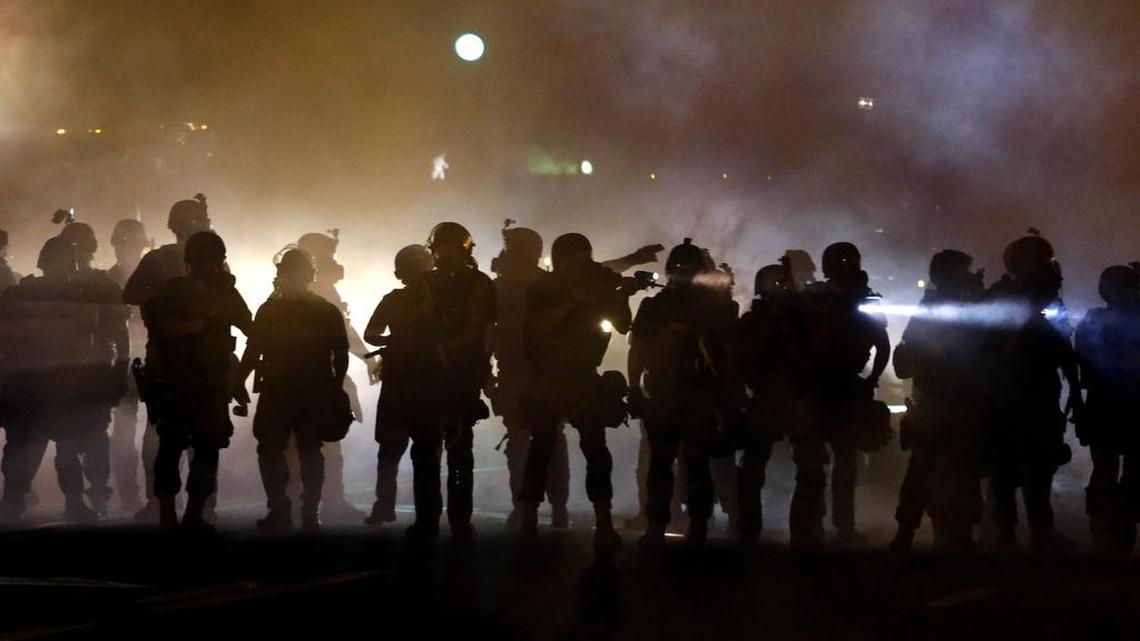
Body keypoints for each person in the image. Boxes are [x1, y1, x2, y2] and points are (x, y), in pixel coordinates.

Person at [518, 233, 638, 554]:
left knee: (595, 450)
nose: (582, 262)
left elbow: (623, 325)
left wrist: (620, 295)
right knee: (542, 449)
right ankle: (528, 518)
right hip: (550, 377)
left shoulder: (595, 286)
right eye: (576, 256)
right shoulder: (545, 288)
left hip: (583, 376)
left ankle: (604, 522)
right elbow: (537, 329)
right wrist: (573, 299)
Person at [0, 229, 128, 523]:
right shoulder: (78, 295)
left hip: (48, 384)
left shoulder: (23, 294)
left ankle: (21, 503)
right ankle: (56, 501)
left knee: (35, 446)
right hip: (50, 383)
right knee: (53, 446)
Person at [629, 239, 739, 548]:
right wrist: (634, 386)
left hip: (689, 394)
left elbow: (728, 355)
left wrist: (634, 386)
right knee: (677, 466)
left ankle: (685, 526)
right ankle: (674, 525)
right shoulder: (704, 307)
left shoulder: (711, 308)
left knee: (681, 466)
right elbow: (638, 349)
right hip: (674, 393)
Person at [141, 231, 251, 532]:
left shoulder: (173, 290)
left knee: (173, 446)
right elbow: (250, 327)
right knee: (205, 448)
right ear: (220, 260)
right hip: (207, 383)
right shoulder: (224, 292)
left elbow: (157, 332)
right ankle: (191, 515)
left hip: (178, 383)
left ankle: (170, 515)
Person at [235, 249, 349, 533]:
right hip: (312, 388)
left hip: (279, 388)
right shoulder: (325, 310)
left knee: (271, 448)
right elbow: (341, 354)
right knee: (310, 449)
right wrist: (335, 388)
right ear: (310, 274)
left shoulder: (271, 309)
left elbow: (253, 350)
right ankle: (309, 512)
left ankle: (281, 509)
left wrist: (237, 381)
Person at [982, 232, 1081, 554]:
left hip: (1035, 392)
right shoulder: (1004, 298)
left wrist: (1074, 390)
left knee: (1039, 465)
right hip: (1010, 393)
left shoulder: (1047, 300)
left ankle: (1038, 531)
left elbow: (1063, 346)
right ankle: (1008, 534)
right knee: (1006, 468)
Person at [792, 242, 889, 549]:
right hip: (822, 387)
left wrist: (871, 378)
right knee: (819, 465)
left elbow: (882, 344)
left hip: (840, 387)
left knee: (840, 464)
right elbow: (803, 346)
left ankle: (831, 527)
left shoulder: (861, 299)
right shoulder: (816, 300)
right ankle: (816, 527)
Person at [890, 250, 987, 554]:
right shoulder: (940, 308)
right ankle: (915, 533)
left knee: (937, 469)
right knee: (934, 469)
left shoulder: (937, 307)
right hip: (944, 401)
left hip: (946, 400)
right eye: (964, 272)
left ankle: (915, 533)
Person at [404, 223, 496, 543]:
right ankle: (427, 518)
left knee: (459, 453)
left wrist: (454, 350)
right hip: (427, 378)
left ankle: (459, 519)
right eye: (441, 247)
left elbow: (479, 329)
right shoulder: (424, 284)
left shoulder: (479, 284)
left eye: (451, 247)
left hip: (459, 376)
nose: (445, 253)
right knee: (425, 454)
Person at [122, 196, 212, 521]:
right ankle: (175, 506)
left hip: (191, 358)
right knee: (170, 435)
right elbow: (131, 294)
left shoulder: (203, 261)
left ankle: (186, 507)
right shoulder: (162, 260)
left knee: (186, 436)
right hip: (175, 358)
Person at [488, 225, 570, 529]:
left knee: (527, 443)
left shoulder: (509, 287)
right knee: (540, 442)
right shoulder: (543, 284)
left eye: (512, 247)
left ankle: (533, 507)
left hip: (532, 374)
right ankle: (545, 507)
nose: (506, 252)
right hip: (526, 373)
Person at [294, 231, 378, 521]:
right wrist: (366, 357)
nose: (334, 262)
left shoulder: (308, 291)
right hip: (321, 376)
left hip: (307, 376)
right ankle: (324, 503)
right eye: (329, 255)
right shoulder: (320, 292)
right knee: (325, 445)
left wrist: (366, 357)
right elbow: (341, 332)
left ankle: (305, 505)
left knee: (311, 445)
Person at [362, 244, 434, 525]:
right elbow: (372, 333)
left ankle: (388, 508)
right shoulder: (417, 299)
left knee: (399, 451)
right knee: (415, 452)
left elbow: (372, 333)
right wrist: (393, 341)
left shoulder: (411, 299)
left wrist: (391, 341)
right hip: (413, 382)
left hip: (410, 382)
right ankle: (411, 511)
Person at [1074, 264, 1140, 557]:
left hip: (1103, 405)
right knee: (1124, 471)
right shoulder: (1115, 321)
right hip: (1122, 405)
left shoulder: (1092, 321)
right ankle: (1116, 531)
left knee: (1107, 471)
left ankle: (1107, 533)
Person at [736, 263, 803, 545]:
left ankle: (804, 531)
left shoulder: (801, 321)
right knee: (753, 471)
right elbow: (740, 360)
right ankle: (750, 530)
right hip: (767, 399)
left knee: (808, 468)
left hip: (792, 400)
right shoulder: (755, 322)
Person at [107, 219, 151, 513]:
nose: (129, 248)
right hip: (124, 361)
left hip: (152, 357)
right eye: (126, 242)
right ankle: (130, 494)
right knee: (124, 432)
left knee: (160, 431)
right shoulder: (109, 279)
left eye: (133, 243)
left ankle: (158, 494)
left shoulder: (152, 275)